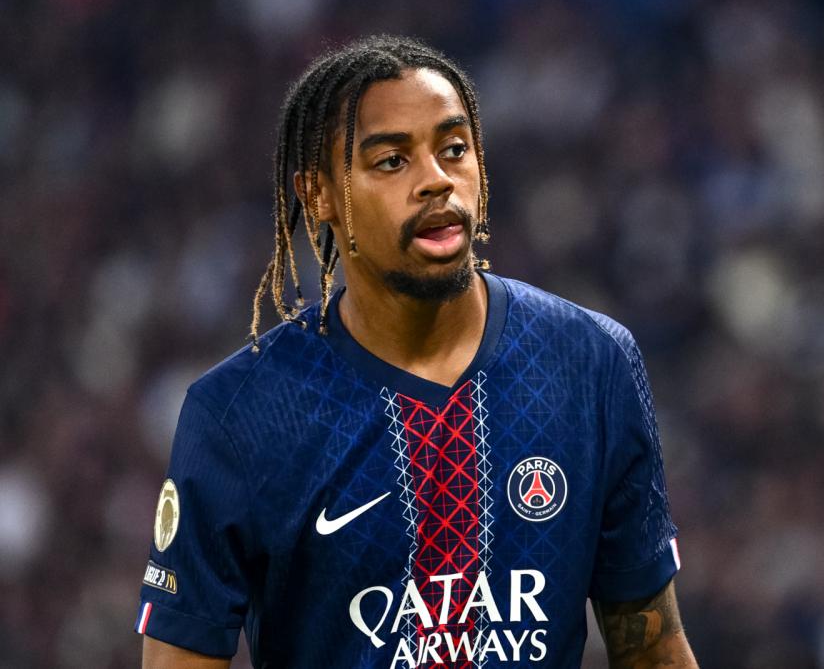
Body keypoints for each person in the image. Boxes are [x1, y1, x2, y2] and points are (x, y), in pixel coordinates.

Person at [135, 35, 698, 669]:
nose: (436, 180)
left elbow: (652, 646)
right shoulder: (239, 413)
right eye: (392, 161)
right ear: (319, 195)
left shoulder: (591, 363)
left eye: (454, 149)